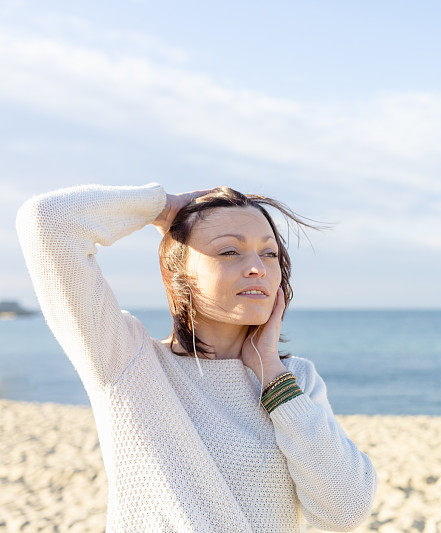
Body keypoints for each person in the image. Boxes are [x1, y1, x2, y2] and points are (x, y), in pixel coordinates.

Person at [15, 182, 378, 532]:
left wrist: (271, 374)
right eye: (229, 251)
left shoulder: (294, 379)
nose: (258, 267)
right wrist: (163, 206)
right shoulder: (127, 361)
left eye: (269, 253)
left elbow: (343, 512)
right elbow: (47, 220)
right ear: (178, 274)